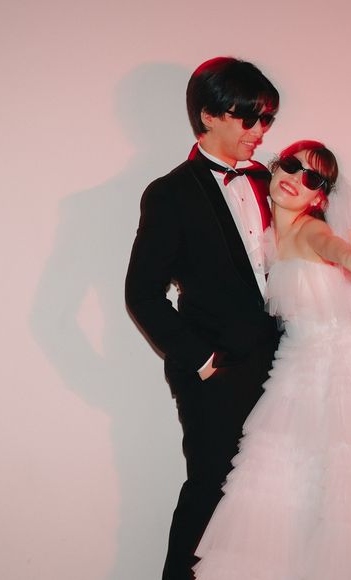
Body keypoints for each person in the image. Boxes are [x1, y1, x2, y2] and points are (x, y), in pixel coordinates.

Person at [193, 140, 351, 580]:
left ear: (320, 199)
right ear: (275, 168)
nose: (296, 179)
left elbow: (329, 244)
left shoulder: (310, 230)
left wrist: (348, 255)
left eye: (312, 178)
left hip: (342, 371)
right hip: (298, 366)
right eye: (291, 166)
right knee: (298, 487)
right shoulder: (267, 234)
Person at [125, 57, 282, 580]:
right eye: (248, 118)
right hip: (219, 370)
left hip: (287, 367)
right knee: (212, 492)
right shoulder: (170, 192)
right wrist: (202, 359)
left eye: (266, 119)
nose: (259, 131)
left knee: (281, 496)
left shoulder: (273, 182)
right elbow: (142, 294)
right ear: (209, 116)